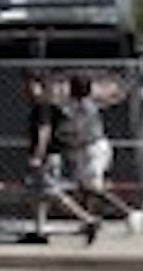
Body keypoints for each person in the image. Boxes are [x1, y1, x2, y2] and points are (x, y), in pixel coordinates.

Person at [58, 72, 143, 238]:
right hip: (83, 150)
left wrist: (64, 135)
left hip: (93, 149)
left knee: (94, 187)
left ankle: (129, 212)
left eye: (74, 86)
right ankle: (89, 221)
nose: (70, 89)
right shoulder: (75, 105)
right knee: (84, 188)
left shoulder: (84, 106)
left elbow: (77, 131)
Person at [20, 71, 101, 244]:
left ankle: (89, 220)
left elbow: (45, 132)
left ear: (41, 87)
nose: (27, 89)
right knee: (39, 196)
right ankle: (39, 232)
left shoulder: (44, 106)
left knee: (53, 193)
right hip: (48, 155)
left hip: (46, 156)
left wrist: (37, 155)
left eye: (31, 85)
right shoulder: (47, 105)